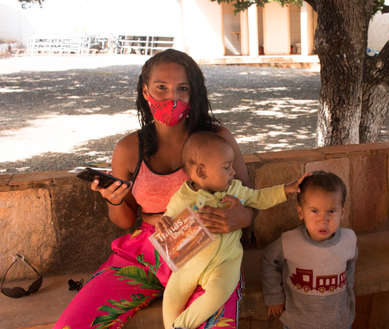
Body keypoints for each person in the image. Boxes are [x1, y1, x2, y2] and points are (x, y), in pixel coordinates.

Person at [53, 49, 255, 329]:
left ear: (193, 93)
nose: (172, 98)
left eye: (182, 89)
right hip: (146, 250)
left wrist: (240, 217)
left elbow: (249, 200)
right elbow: (124, 221)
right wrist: (115, 200)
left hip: (209, 251)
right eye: (162, 87)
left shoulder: (215, 138)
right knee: (74, 324)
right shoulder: (128, 149)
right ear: (146, 91)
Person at [157, 131, 307, 329]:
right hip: (190, 263)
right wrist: (164, 222)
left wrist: (286, 189)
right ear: (201, 172)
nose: (233, 173)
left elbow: (259, 197)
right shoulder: (183, 197)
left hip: (224, 264)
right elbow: (168, 219)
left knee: (219, 293)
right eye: (227, 167)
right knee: (171, 296)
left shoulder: (236, 190)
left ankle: (181, 326)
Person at [262, 171, 358, 329]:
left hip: (338, 321)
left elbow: (350, 267)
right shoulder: (289, 241)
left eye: (332, 211)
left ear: (342, 212)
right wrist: (274, 297)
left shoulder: (349, 239)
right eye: (315, 211)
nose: (323, 220)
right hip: (298, 322)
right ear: (301, 212)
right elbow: (269, 261)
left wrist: (348, 291)